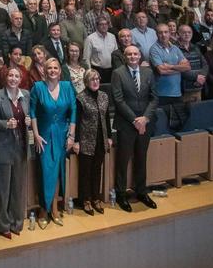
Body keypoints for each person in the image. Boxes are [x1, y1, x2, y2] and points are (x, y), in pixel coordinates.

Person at [28, 57, 77, 228]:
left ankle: (55, 209)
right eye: (49, 68)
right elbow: (32, 112)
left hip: (62, 135)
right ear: (44, 70)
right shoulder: (38, 87)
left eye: (56, 68)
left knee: (57, 173)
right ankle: (43, 209)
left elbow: (73, 112)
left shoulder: (67, 86)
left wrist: (71, 136)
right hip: (44, 137)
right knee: (44, 172)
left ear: (60, 70)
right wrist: (35, 134)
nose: (53, 71)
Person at [111, 46, 159, 212]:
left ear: (140, 56)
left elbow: (154, 98)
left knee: (141, 158)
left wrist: (145, 118)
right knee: (123, 160)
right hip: (126, 124)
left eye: (135, 54)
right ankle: (121, 194)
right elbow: (118, 100)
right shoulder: (118, 73)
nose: (132, 56)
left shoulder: (148, 73)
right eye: (129, 54)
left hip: (145, 124)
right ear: (125, 57)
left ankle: (141, 191)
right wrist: (134, 120)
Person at [0, 66, 30, 238]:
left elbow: (31, 116)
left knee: (17, 188)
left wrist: (27, 121)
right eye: (10, 75)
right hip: (2, 147)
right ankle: (1, 225)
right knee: (2, 189)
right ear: (5, 78)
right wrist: (5, 124)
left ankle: (16, 222)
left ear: (21, 79)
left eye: (16, 76)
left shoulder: (26, 95)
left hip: (20, 147)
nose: (13, 78)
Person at [74, 69, 111, 215]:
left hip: (101, 139)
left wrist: (109, 137)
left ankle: (96, 198)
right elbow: (76, 121)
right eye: (92, 79)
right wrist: (76, 141)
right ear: (86, 82)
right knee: (85, 172)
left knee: (97, 170)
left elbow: (106, 117)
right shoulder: (80, 98)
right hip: (86, 140)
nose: (95, 82)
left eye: (97, 79)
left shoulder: (104, 96)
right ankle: (85, 200)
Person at [149, 23, 190, 104]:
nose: (163, 35)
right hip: (162, 94)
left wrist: (170, 66)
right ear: (156, 34)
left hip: (177, 92)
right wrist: (180, 69)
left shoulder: (175, 48)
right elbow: (161, 71)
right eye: (160, 32)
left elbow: (187, 67)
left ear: (169, 33)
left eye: (166, 32)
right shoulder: (154, 49)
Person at [177, 24, 208, 103]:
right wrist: (196, 77)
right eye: (184, 32)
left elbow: (205, 64)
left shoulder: (196, 47)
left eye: (189, 32)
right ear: (179, 34)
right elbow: (178, 69)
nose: (187, 34)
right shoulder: (175, 49)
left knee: (197, 114)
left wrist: (202, 77)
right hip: (183, 91)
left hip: (198, 88)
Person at [83, 17, 117, 82]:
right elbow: (86, 58)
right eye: (101, 24)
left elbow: (116, 55)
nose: (104, 26)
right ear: (97, 26)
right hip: (97, 71)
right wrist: (90, 73)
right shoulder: (90, 39)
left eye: (106, 24)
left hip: (112, 71)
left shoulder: (112, 37)